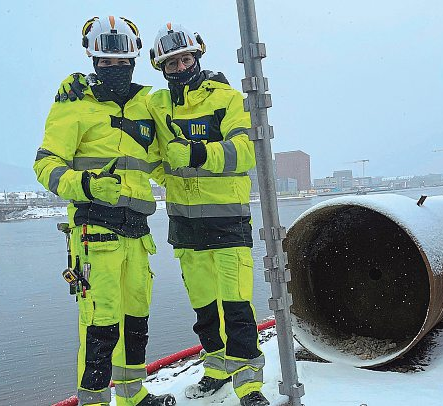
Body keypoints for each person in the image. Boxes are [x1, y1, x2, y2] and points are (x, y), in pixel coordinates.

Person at [34, 16, 175, 406]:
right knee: (99, 326)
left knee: (136, 323)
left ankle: (133, 395)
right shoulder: (74, 104)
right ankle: (94, 401)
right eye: (105, 63)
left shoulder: (148, 104)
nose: (114, 70)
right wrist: (86, 185)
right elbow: (45, 164)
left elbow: (164, 158)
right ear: (93, 61)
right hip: (95, 233)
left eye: (122, 62)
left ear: (134, 60)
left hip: (138, 233)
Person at [148, 23, 269, 406]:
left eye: (185, 59)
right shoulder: (157, 105)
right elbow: (147, 150)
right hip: (185, 227)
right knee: (204, 310)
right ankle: (216, 371)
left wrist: (200, 153)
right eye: (172, 63)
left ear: (197, 56)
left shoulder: (226, 99)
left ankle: (249, 387)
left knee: (237, 307)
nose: (180, 67)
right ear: (161, 68)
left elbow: (247, 150)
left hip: (227, 222)